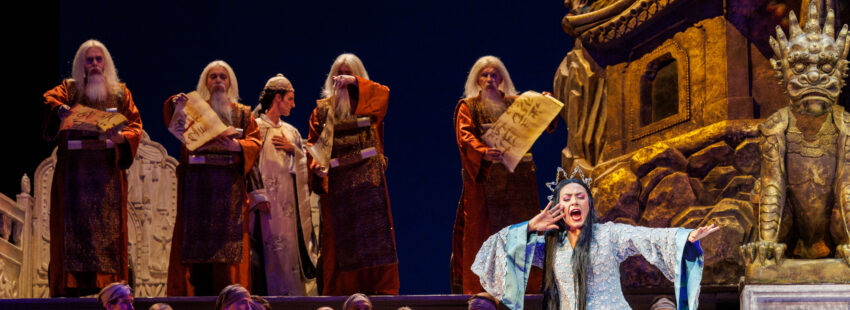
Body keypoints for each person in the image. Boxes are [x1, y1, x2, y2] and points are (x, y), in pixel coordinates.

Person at [472, 168, 718, 310]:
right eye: (567, 199)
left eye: (580, 197)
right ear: (558, 207)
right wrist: (529, 227)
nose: (574, 202)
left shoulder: (609, 235)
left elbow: (648, 236)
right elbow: (496, 247)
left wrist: (686, 236)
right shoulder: (550, 245)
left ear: (589, 204)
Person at [43, 39, 143, 297]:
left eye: (99, 59)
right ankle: (71, 292)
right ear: (82, 65)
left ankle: (110, 293)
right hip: (73, 178)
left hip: (107, 178)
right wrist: (60, 110)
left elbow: (135, 126)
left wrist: (120, 137)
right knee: (73, 236)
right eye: (90, 60)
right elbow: (49, 100)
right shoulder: (69, 90)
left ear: (106, 63)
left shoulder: (120, 93)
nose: (95, 64)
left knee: (108, 237)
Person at [451, 55, 553, 294]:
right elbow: (465, 137)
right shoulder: (468, 106)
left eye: (494, 75)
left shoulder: (515, 104)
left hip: (518, 184)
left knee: (524, 229)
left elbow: (541, 117)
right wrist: (483, 152)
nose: (489, 79)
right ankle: (485, 288)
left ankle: (527, 288)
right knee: (486, 233)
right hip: (486, 184)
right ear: (477, 80)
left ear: (501, 79)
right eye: (484, 75)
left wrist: (545, 101)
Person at [164, 60, 262, 296]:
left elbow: (255, 142)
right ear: (206, 83)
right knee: (196, 257)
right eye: (213, 77)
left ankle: (230, 300)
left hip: (229, 195)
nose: (218, 81)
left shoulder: (243, 113)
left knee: (227, 259)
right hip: (197, 194)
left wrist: (237, 146)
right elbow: (172, 120)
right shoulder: (194, 110)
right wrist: (176, 104)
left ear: (230, 83)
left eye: (222, 77)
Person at [306, 53, 398, 295]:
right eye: (339, 73)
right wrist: (315, 167)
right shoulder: (322, 110)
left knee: (374, 241)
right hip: (337, 187)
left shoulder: (369, 105)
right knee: (337, 246)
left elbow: (384, 94)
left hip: (369, 186)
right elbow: (313, 146)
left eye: (348, 74)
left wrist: (354, 83)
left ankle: (378, 297)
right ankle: (339, 297)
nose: (342, 79)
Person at [250, 74, 318, 295]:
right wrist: (257, 195)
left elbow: (303, 164)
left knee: (289, 253)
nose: (293, 104)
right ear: (277, 98)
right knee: (265, 253)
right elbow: (249, 164)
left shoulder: (292, 132)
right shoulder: (256, 127)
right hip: (265, 204)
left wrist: (294, 150)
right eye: (290, 99)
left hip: (289, 206)